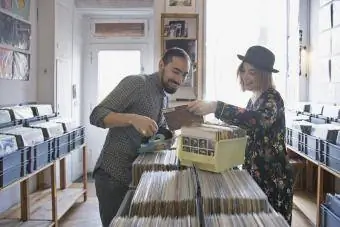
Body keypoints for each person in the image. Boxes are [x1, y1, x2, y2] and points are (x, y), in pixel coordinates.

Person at [187, 45, 294, 225]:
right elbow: (246, 127)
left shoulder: (273, 98)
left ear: (265, 74)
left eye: (252, 72)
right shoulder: (254, 99)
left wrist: (216, 107)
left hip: (274, 179)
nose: (245, 76)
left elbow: (258, 121)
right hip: (254, 174)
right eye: (243, 70)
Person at [89, 47, 191, 227]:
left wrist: (169, 135)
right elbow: (97, 115)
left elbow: (153, 130)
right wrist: (132, 119)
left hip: (135, 177)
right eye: (175, 71)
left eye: (184, 75)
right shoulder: (136, 83)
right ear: (161, 64)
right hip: (112, 177)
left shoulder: (164, 96)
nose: (179, 80)